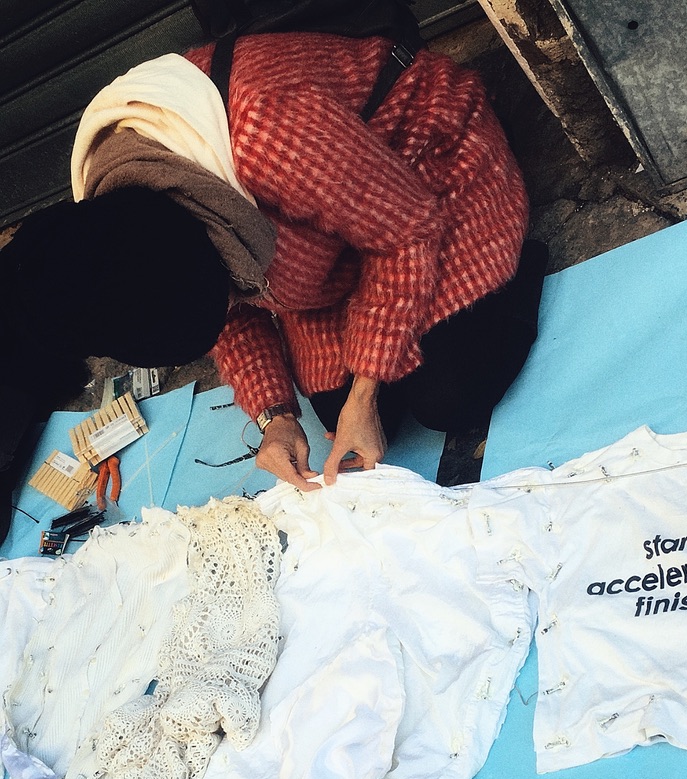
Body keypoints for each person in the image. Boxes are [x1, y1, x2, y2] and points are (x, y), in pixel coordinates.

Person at [0, 30, 544, 543]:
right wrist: (275, 417)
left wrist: (367, 389)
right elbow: (223, 314)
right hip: (329, 242)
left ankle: (516, 262)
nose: (238, 304)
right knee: (334, 409)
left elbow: (408, 230)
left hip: (424, 168)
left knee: (450, 395)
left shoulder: (268, 134)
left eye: (232, 290)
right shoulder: (121, 223)